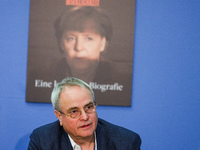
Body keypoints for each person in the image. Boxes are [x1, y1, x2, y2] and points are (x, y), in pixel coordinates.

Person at [28, 77, 141, 150]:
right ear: (59, 116)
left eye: (89, 107)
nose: (85, 117)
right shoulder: (42, 141)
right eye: (74, 111)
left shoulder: (126, 143)